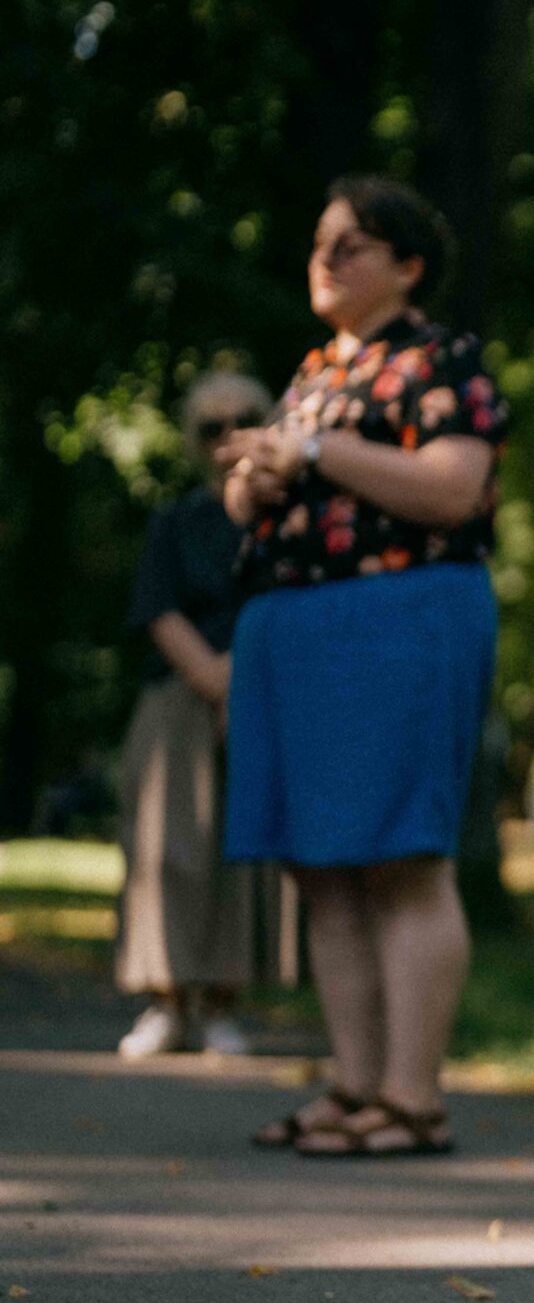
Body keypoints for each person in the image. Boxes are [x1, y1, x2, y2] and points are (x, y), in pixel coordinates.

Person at [224, 177, 509, 1158]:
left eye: (351, 245)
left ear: (408, 265)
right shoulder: (312, 372)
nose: (327, 258)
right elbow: (254, 507)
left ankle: (412, 1097)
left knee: (401, 858)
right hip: (295, 630)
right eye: (320, 242)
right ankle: (354, 1088)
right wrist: (255, 474)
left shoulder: (441, 357)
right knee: (321, 868)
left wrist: (315, 451)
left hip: (400, 618)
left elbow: (452, 490)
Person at [114, 372, 297, 1056]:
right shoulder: (176, 522)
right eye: (210, 427)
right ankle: (167, 999)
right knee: (167, 852)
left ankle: (224, 1001)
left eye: (242, 419)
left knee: (246, 858)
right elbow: (157, 610)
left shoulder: (291, 520)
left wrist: (243, 683)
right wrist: (215, 680)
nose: (227, 438)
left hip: (264, 695)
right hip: (178, 701)